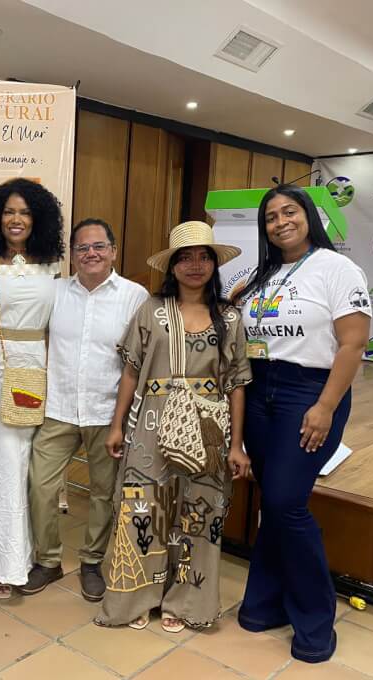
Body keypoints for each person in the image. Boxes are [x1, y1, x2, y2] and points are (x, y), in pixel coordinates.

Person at [95, 221, 252, 632]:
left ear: (214, 264)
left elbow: (236, 384)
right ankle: (137, 597)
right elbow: (130, 371)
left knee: (198, 513)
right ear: (173, 266)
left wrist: (237, 445)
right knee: (143, 508)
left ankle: (185, 602)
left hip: (209, 427)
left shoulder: (230, 317)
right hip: (151, 421)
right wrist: (116, 426)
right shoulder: (151, 309)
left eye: (204, 257)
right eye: (186, 258)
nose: (195, 265)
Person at [235, 185, 371, 663]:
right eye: (270, 216)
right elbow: (234, 319)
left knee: (286, 502)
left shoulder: (338, 269)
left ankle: (315, 618)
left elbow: (352, 345)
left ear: (309, 216)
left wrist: (326, 406)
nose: (280, 222)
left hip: (308, 392)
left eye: (289, 211)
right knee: (272, 501)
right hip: (259, 390)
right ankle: (266, 603)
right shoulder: (262, 274)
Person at [22, 218, 147, 602]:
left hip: (107, 412)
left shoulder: (134, 295)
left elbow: (137, 361)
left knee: (103, 493)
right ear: (72, 254)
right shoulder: (56, 292)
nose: (90, 253)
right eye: (81, 248)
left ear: (113, 250)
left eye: (98, 246)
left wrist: (122, 420)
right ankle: (48, 560)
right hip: (57, 408)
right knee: (40, 486)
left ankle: (92, 561)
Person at [0, 178, 65, 599]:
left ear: (37, 217)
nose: (16, 219)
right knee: (1, 459)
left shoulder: (53, 263)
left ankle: (37, 554)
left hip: (36, 365)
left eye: (25, 212)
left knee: (31, 464)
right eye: (9, 211)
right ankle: (4, 562)